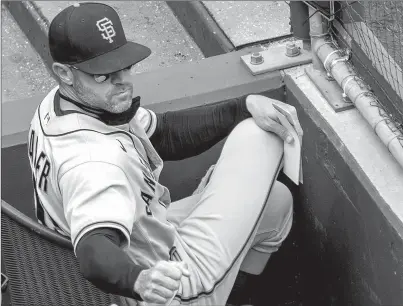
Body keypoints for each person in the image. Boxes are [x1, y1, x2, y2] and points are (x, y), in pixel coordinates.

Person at [28, 2, 303, 306]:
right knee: (262, 136)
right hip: (167, 287)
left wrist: (242, 105)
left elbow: (164, 134)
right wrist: (140, 281)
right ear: (64, 72)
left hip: (143, 238)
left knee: (275, 204)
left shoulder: (62, 105)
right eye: (103, 75)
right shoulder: (95, 164)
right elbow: (94, 250)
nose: (122, 82)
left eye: (124, 66)